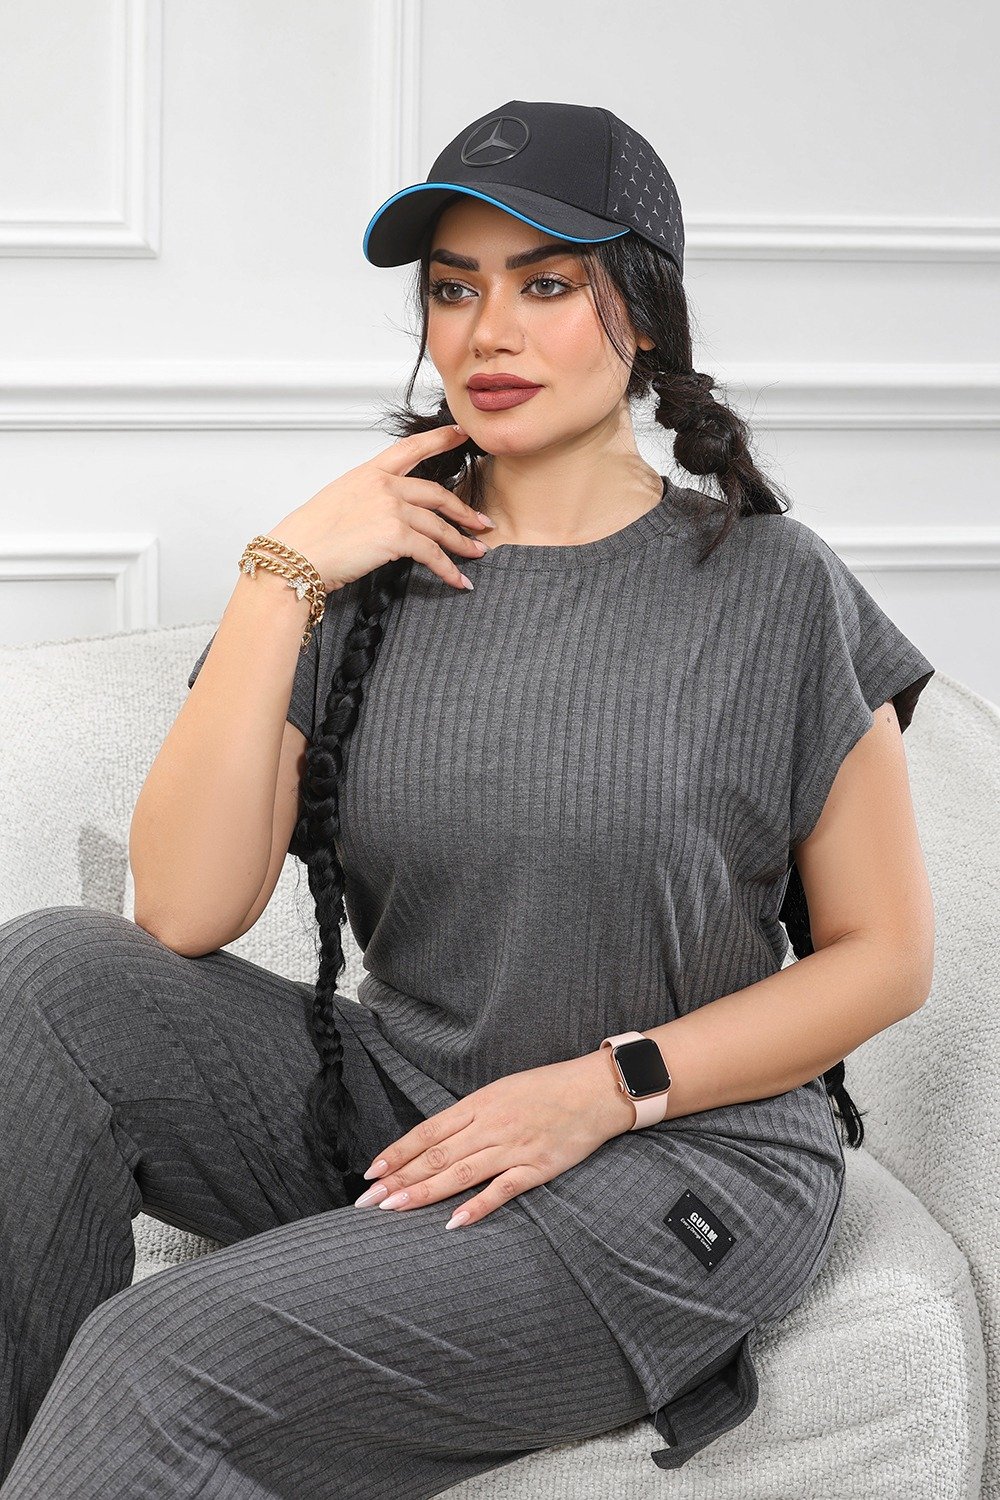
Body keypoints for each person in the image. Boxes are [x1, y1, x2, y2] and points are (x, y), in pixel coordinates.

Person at [0, 100, 936, 1497]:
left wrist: (608, 1088)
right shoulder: (361, 576)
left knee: (160, 1353)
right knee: (46, 982)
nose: (488, 332)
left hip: (678, 1156)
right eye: (454, 289)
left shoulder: (772, 587)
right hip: (416, 1109)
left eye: (546, 285)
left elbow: (888, 956)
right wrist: (279, 573)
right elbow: (184, 912)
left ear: (645, 315)